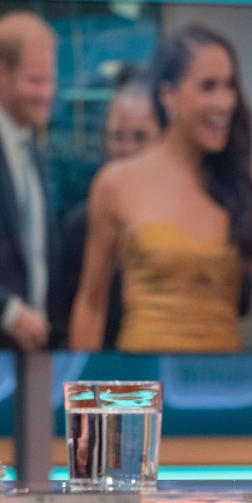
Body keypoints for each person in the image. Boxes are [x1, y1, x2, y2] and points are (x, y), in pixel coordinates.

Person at [69, 24, 252, 352]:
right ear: (168, 95)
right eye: (208, 87)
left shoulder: (244, 189)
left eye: (229, 87)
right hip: (140, 392)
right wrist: (80, 396)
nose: (224, 102)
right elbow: (91, 303)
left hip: (219, 388)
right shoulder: (116, 183)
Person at [0, 11, 60, 350]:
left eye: (50, 79)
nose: (47, 93)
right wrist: (9, 314)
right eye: (35, 81)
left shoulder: (33, 150)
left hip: (32, 353)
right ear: (0, 74)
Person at [54, 65, 162, 348]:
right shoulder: (80, 225)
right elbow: (68, 315)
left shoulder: (185, 216)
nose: (127, 148)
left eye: (140, 137)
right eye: (117, 136)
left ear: (163, 140)